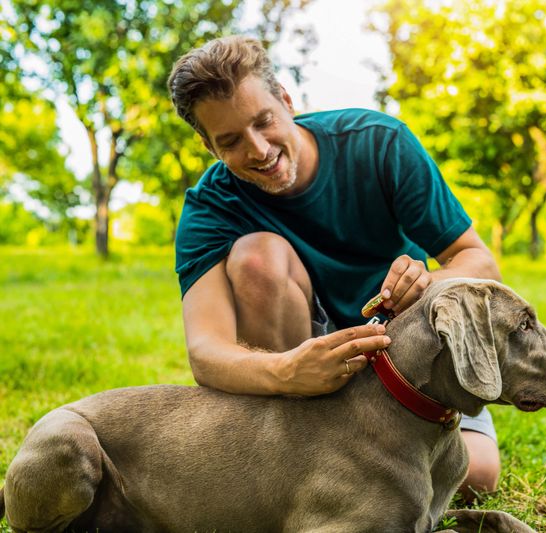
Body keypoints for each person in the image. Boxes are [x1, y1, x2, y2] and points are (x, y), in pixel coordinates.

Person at [167, 35, 502, 500]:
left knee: (477, 478)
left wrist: (428, 281)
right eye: (231, 141)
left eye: (264, 122)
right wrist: (287, 370)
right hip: (301, 369)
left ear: (285, 100)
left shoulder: (379, 142)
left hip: (403, 348)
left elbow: (480, 263)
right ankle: (300, 446)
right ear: (208, 145)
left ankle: (354, 459)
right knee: (257, 255)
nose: (259, 149)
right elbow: (206, 352)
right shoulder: (209, 208)